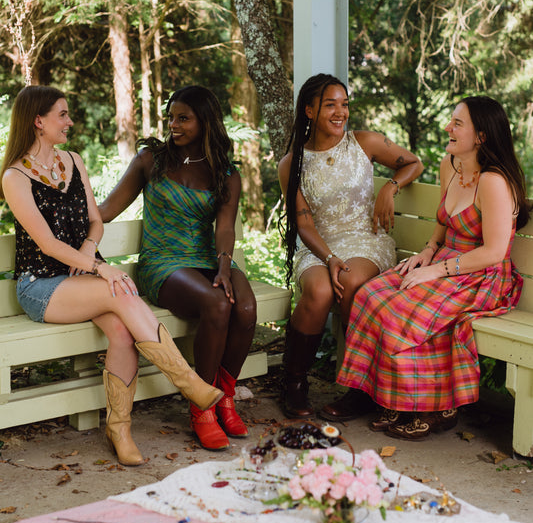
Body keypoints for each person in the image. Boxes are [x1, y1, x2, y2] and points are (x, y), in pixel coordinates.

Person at [0, 86, 223, 467]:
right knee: (119, 292)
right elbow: (47, 244)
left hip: (85, 279)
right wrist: (100, 267)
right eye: (62, 114)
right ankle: (187, 382)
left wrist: (90, 248)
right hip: (42, 285)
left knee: (121, 331)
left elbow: (96, 220)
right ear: (38, 121)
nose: (70, 122)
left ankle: (119, 429)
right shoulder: (15, 176)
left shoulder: (72, 161)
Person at [323, 95, 530, 438]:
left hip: (481, 276)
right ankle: (378, 395)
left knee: (402, 310)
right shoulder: (451, 164)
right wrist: (430, 250)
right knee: (370, 295)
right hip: (445, 261)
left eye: (457, 124)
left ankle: (432, 406)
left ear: (481, 136)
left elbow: (494, 252)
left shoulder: (494, 181)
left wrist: (436, 270)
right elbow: (445, 221)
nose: (448, 128)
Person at [99, 85, 257, 451]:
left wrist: (223, 267)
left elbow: (225, 228)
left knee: (246, 307)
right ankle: (202, 408)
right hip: (163, 261)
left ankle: (225, 397)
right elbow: (107, 209)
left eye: (183, 118)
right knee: (217, 304)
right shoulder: (151, 160)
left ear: (205, 122)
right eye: (171, 117)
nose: (174, 125)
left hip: (208, 258)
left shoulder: (225, 173)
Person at [278, 73, 424, 418]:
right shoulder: (291, 164)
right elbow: (304, 224)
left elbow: (414, 163)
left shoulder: (365, 142)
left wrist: (389, 187)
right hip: (319, 245)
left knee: (352, 281)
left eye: (344, 104)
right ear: (310, 111)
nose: (340, 112)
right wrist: (328, 257)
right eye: (330, 105)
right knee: (318, 291)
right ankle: (293, 382)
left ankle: (361, 389)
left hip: (366, 240)